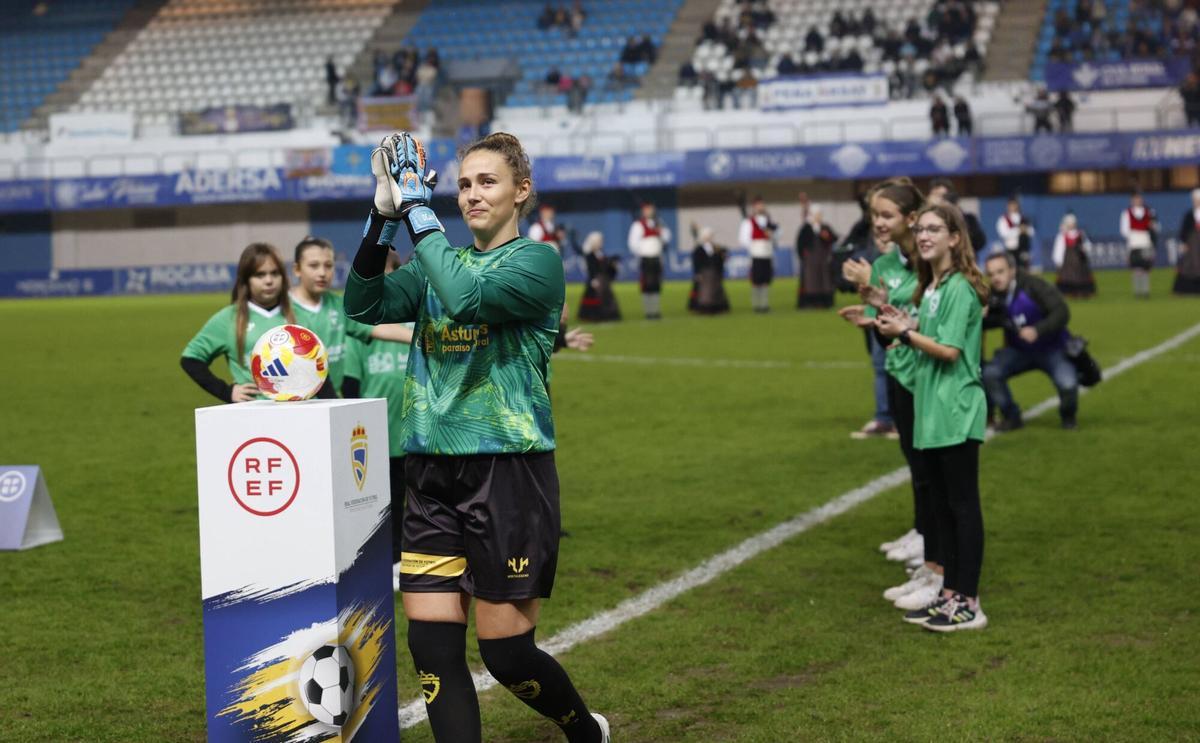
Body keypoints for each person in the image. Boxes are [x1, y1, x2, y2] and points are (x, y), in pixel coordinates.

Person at [344, 131, 609, 742]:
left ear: (522, 191)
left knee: (505, 655)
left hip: (508, 472)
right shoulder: (442, 259)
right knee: (433, 650)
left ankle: (584, 730)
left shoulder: (536, 262)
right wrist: (381, 218)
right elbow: (362, 305)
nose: (470, 195)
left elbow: (464, 302)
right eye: (462, 184)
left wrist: (416, 211)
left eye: (486, 182)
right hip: (430, 470)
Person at [876, 203, 990, 632]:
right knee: (942, 508)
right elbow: (932, 338)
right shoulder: (935, 286)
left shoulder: (960, 286)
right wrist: (904, 326)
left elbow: (950, 351)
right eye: (920, 228)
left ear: (955, 238)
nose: (924, 236)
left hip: (956, 409)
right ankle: (948, 594)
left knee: (961, 506)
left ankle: (969, 602)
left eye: (934, 229)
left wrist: (905, 333)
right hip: (933, 409)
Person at [842, 178, 944, 609]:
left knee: (938, 478)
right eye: (874, 217)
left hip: (931, 377)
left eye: (886, 216)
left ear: (910, 217)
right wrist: (873, 312)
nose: (879, 224)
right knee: (918, 469)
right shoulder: (885, 263)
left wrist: (883, 296)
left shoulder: (927, 258)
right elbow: (895, 326)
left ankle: (941, 568)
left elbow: (928, 312)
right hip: (903, 372)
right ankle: (928, 554)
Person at [341, 249, 415, 584]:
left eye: (389, 270)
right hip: (373, 434)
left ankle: (404, 559)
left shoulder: (414, 320)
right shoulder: (360, 331)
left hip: (415, 431)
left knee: (412, 499)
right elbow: (351, 385)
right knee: (373, 503)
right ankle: (375, 561)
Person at [181, 243, 331, 402]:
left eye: (274, 273)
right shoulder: (229, 318)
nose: (269, 280)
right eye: (260, 275)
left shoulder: (300, 315)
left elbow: (318, 369)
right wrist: (226, 391)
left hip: (302, 411)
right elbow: (190, 359)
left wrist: (332, 403)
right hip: (256, 416)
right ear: (246, 280)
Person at [288, 236, 409, 396]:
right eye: (314, 266)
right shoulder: (283, 308)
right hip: (294, 404)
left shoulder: (340, 304)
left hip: (331, 402)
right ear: (297, 269)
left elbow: (376, 327)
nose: (322, 273)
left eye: (328, 265)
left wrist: (422, 336)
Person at [980, 252, 1078, 431]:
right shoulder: (991, 296)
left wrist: (1038, 330)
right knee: (990, 373)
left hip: (1052, 348)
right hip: (1018, 351)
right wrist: (980, 317)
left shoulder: (1035, 285)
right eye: (991, 274)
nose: (995, 278)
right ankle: (1011, 416)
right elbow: (992, 323)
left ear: (1012, 270)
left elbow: (1062, 312)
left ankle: (1068, 416)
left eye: (1000, 272)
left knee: (1068, 384)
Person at [628, 201, 671, 319]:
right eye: (647, 209)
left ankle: (656, 310)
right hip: (646, 258)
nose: (650, 212)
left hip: (657, 257)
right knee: (647, 286)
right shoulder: (638, 225)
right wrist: (642, 253)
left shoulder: (659, 223)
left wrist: (660, 231)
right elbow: (633, 243)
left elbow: (667, 237)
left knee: (656, 286)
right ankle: (648, 311)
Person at [795, 193, 837, 309]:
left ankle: (825, 302)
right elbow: (800, 244)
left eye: (820, 214)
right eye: (817, 214)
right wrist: (803, 256)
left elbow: (834, 238)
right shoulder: (806, 228)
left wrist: (827, 237)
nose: (819, 216)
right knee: (811, 281)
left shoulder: (825, 227)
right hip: (811, 261)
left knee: (824, 281)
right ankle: (811, 302)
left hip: (823, 260)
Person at [927, 178, 986, 255]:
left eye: (941, 196)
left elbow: (979, 243)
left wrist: (957, 214)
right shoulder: (925, 220)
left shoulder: (968, 219)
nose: (938, 200)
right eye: (935, 196)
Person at [739, 195, 777, 313]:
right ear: (754, 207)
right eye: (758, 205)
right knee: (756, 281)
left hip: (767, 252)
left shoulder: (768, 221)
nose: (761, 207)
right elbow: (743, 238)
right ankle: (756, 304)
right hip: (756, 253)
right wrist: (754, 246)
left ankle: (765, 304)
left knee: (766, 280)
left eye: (762, 204)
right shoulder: (748, 221)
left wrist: (771, 236)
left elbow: (776, 235)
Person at [578, 231, 622, 321]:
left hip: (604, 281)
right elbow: (591, 268)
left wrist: (613, 266)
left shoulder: (601, 254)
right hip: (596, 280)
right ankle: (594, 316)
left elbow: (605, 267)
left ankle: (608, 315)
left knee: (606, 297)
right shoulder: (590, 255)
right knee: (596, 297)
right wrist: (593, 279)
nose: (600, 243)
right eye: (598, 241)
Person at [1121, 192, 1157, 298]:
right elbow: (1124, 230)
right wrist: (1134, 235)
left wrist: (1150, 229)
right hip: (1134, 242)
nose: (1138, 201)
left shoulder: (1149, 212)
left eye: (1139, 199)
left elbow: (1155, 226)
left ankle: (1146, 291)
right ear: (1132, 201)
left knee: (1146, 268)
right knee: (1136, 268)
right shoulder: (1126, 213)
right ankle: (1137, 291)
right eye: (1135, 199)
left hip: (1146, 241)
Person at [1051, 213, 1096, 297]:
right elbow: (1059, 250)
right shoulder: (1062, 236)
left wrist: (1084, 249)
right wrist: (1058, 262)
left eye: (1072, 223)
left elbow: (1088, 245)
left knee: (1081, 278)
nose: (1071, 225)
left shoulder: (1080, 234)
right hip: (1068, 263)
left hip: (1080, 262)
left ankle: (1081, 292)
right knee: (1067, 278)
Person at [688, 224, 730, 314]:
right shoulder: (698, 249)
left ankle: (717, 307)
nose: (709, 237)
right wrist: (697, 273)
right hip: (704, 273)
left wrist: (723, 256)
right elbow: (696, 262)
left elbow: (721, 258)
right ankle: (704, 307)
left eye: (710, 235)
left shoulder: (717, 248)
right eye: (707, 235)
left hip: (715, 273)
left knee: (717, 290)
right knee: (704, 291)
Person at [1173, 188, 1200, 294]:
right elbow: (1184, 231)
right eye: (1195, 200)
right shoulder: (1189, 215)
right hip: (1192, 246)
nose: (1196, 202)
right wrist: (1184, 242)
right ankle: (1186, 290)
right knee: (1188, 267)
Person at [995, 197, 1030, 266]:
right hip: (1011, 248)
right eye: (1011, 205)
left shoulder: (1023, 218)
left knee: (1023, 269)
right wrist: (1018, 230)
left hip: (1023, 248)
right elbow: (1003, 234)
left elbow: (1031, 231)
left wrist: (1025, 230)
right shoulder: (1003, 219)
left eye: (1015, 205)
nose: (1013, 207)